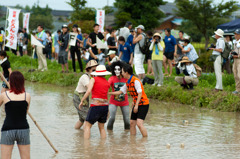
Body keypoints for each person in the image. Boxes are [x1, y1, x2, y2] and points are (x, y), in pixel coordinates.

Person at [109, 64, 149, 137]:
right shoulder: (128, 82)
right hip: (136, 104)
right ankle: (132, 141)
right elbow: (120, 92)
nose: (121, 73)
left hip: (143, 104)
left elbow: (140, 93)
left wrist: (136, 105)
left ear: (127, 72)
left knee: (139, 124)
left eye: (122, 72)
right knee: (132, 123)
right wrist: (108, 93)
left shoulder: (136, 80)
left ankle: (145, 140)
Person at [0, 71, 31, 159]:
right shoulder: (27, 96)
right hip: (23, 129)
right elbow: (25, 112)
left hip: (8, 130)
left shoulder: (4, 95)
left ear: (10, 82)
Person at [79, 65, 111, 139]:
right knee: (102, 127)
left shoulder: (93, 79)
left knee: (87, 126)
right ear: (105, 74)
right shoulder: (107, 83)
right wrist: (108, 110)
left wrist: (82, 100)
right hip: (105, 107)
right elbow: (106, 97)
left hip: (96, 106)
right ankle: (103, 146)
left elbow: (88, 91)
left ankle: (86, 146)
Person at [73, 60, 98, 129]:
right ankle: (86, 137)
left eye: (96, 70)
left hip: (84, 97)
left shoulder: (90, 77)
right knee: (88, 118)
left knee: (82, 119)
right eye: (93, 70)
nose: (95, 71)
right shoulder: (85, 77)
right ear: (88, 69)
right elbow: (90, 88)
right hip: (79, 98)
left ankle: (77, 133)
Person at [107, 61, 130, 130]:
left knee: (127, 120)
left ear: (122, 70)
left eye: (118, 69)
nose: (117, 71)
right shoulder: (112, 78)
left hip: (124, 102)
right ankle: (109, 134)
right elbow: (107, 86)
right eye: (115, 69)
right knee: (112, 118)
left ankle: (127, 135)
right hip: (113, 102)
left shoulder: (126, 78)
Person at [232, 29, 240, 94]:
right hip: (235, 60)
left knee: (239, 74)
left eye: (237, 34)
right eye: (235, 34)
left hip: (239, 60)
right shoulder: (235, 42)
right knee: (235, 74)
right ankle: (237, 89)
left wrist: (237, 56)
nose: (235, 35)